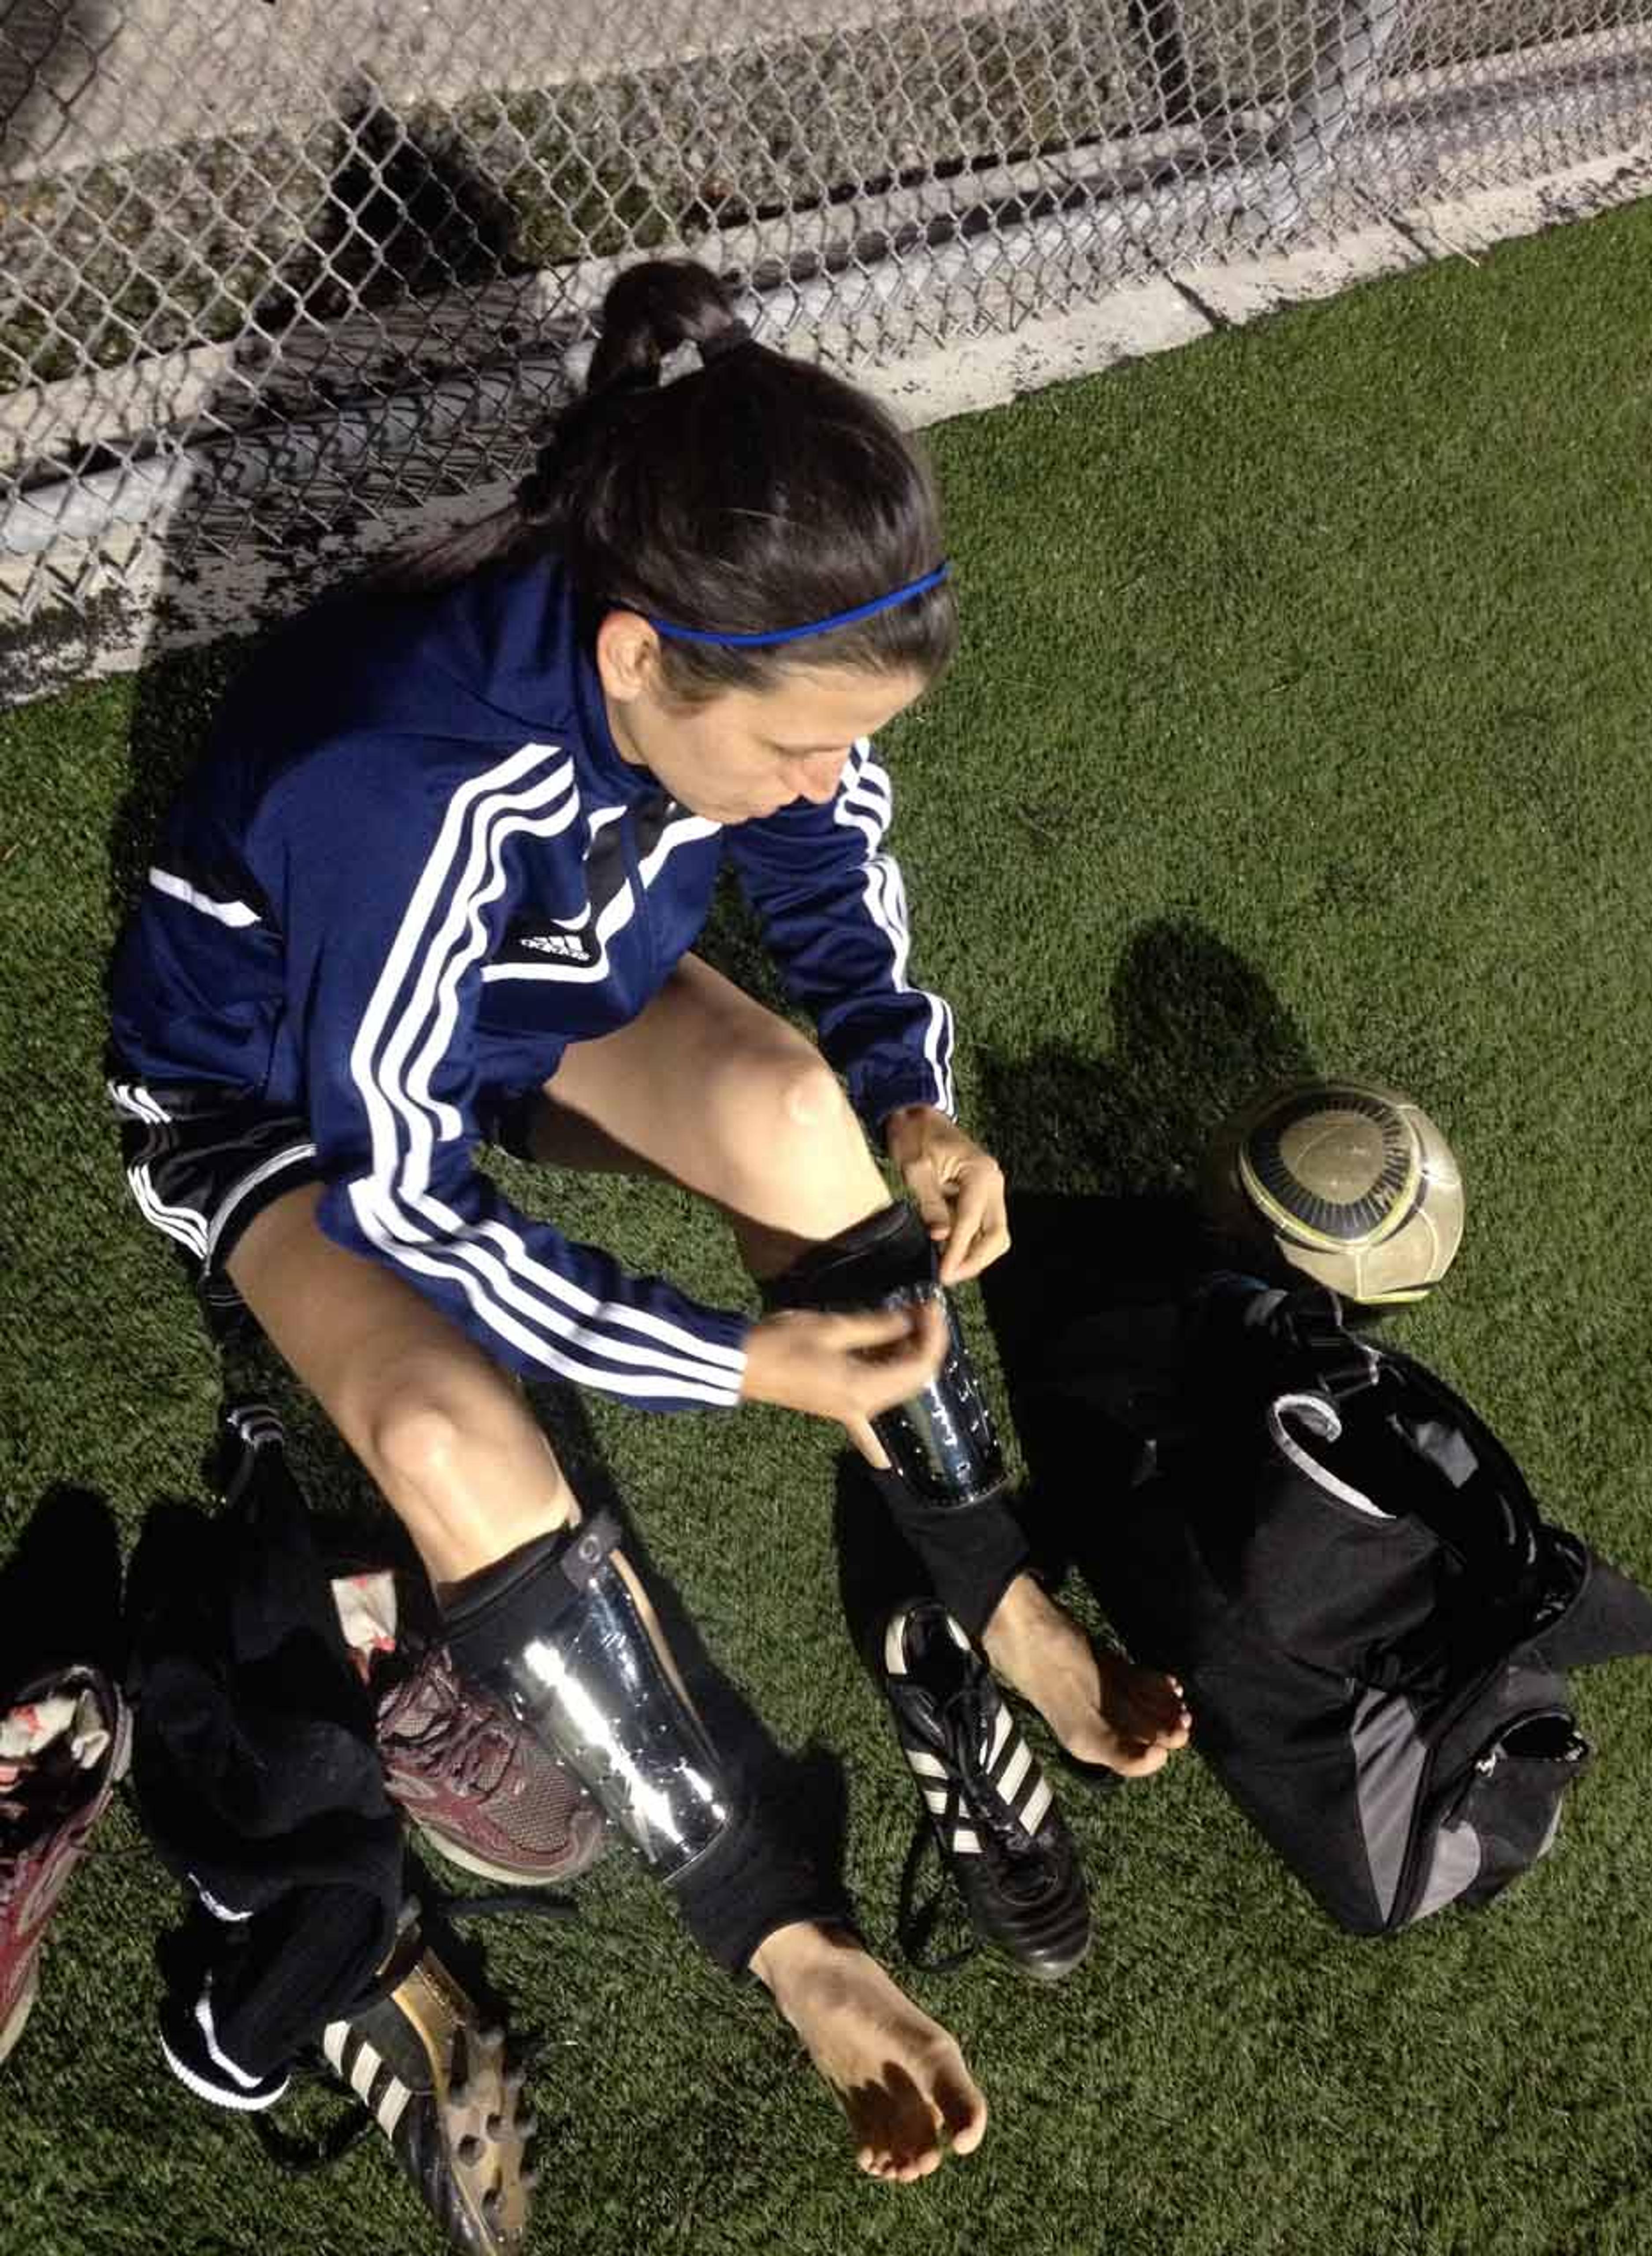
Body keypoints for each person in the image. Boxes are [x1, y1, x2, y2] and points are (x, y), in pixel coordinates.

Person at [107, 257, 1184, 2182]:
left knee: (791, 1108)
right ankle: (778, 1919)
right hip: (278, 1091)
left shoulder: (710, 651)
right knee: (447, 1430)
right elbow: (401, 1183)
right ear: (633, 665)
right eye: (790, 741)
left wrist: (900, 1079)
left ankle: (997, 1593)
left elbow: (815, 823)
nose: (822, 775)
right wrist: (728, 1355)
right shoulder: (404, 780)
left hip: (512, 985)